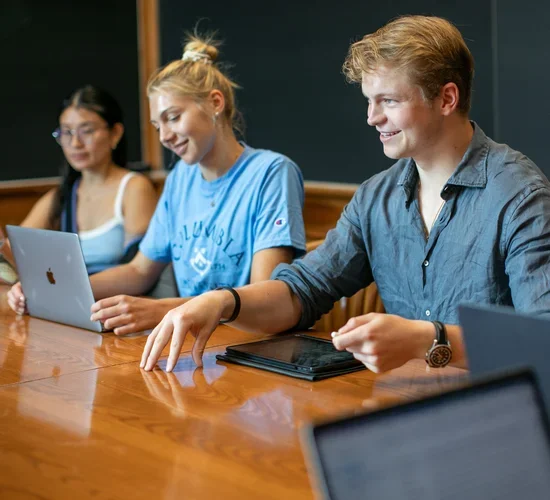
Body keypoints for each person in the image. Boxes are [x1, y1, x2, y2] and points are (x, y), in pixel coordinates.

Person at [140, 15, 550, 373]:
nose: (372, 117)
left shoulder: (519, 195)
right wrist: (221, 302)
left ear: (446, 98)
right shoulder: (376, 198)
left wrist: (429, 340)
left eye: (388, 100)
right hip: (405, 407)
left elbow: (543, 341)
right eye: (370, 101)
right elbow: (302, 291)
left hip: (505, 417)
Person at [50, 34, 305, 336]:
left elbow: (263, 295)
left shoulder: (271, 172)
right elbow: (140, 271)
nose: (164, 137)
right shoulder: (180, 178)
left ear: (214, 103)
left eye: (173, 118)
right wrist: (60, 290)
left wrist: (164, 309)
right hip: (192, 340)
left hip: (248, 341)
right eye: (158, 125)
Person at [7, 85, 157, 312]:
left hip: (117, 311)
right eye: (66, 132)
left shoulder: (134, 187)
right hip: (69, 307)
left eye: (86, 131)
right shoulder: (60, 196)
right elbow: (21, 252)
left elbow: (140, 271)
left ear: (115, 133)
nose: (75, 143)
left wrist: (59, 288)